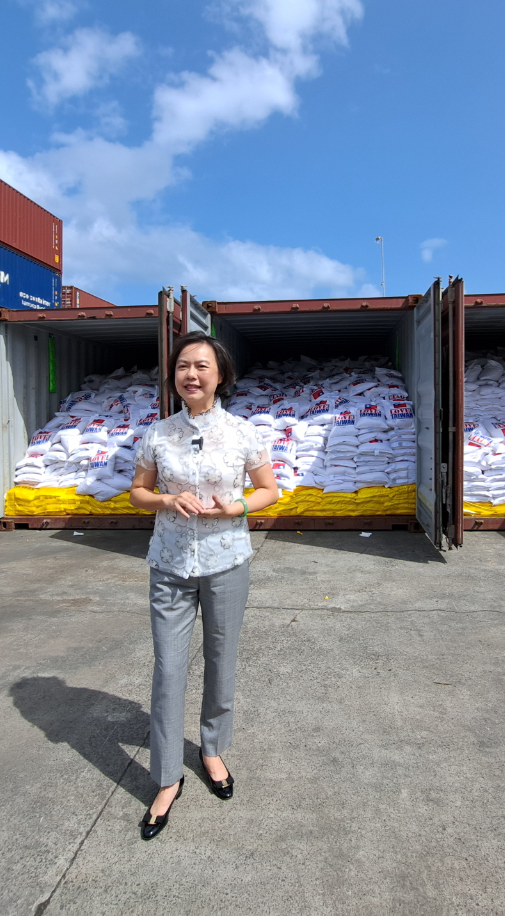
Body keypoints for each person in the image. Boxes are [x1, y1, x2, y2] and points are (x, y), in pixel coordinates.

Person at [129, 332, 280, 841]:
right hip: (170, 564)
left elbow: (269, 490)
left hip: (226, 562)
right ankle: (167, 777)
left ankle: (212, 750)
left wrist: (235, 508)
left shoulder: (242, 432)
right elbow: (138, 492)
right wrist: (165, 501)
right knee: (169, 669)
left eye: (201, 366)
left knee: (221, 659)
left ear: (220, 376)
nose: (190, 375)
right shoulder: (157, 433)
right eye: (182, 366)